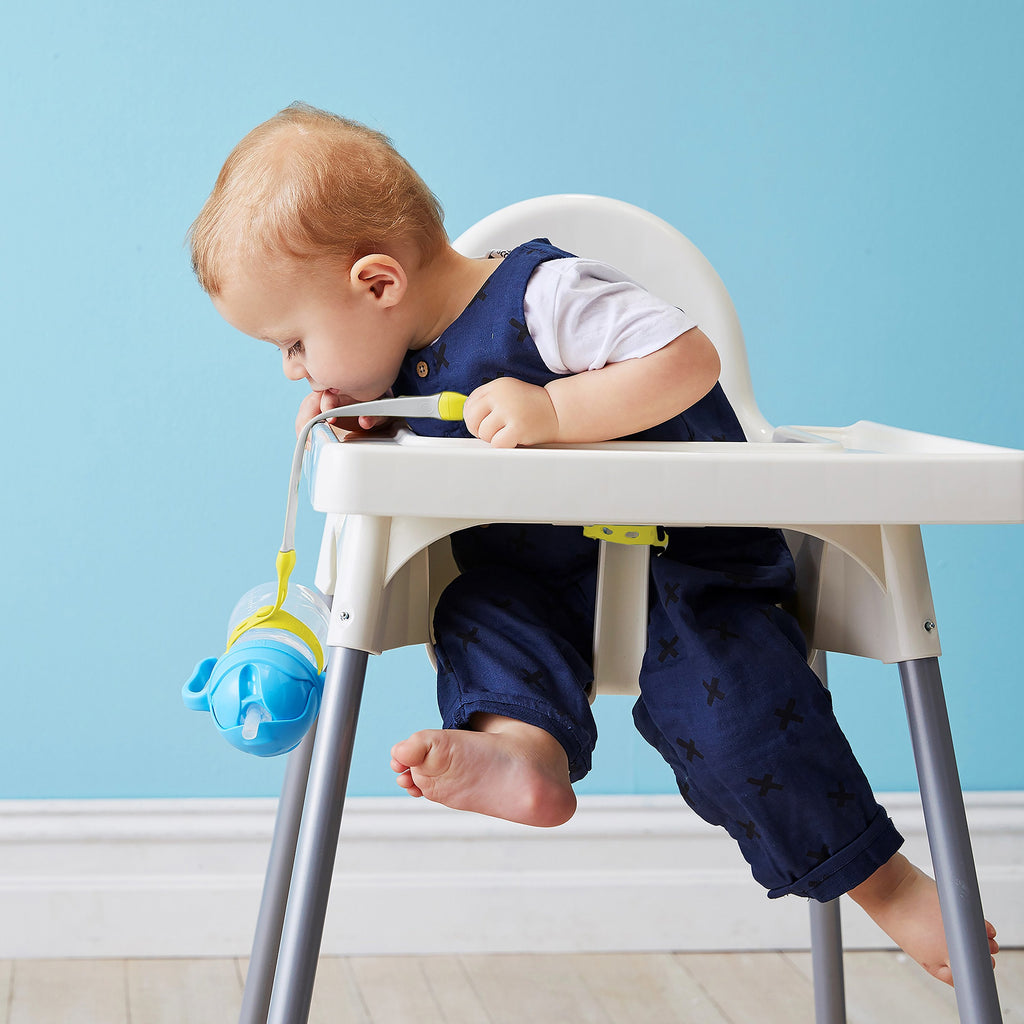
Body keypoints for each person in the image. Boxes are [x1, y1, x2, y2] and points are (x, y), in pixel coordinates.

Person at [189, 102, 997, 986]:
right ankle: (523, 753)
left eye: (295, 342)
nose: (293, 370)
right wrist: (373, 426)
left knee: (739, 713)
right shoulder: (408, 374)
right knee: (477, 610)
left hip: (691, 574)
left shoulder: (545, 298)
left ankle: (890, 888)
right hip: (540, 584)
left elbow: (687, 359)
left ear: (379, 283)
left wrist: (556, 409)